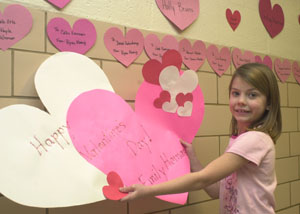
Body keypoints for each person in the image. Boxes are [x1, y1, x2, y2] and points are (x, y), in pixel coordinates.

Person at [120, 63, 282, 214]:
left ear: (269, 103)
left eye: (252, 95)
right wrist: (193, 159)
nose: (241, 101)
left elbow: (203, 180)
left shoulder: (255, 140)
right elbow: (215, 191)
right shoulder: (240, 139)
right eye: (236, 93)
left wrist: (148, 190)